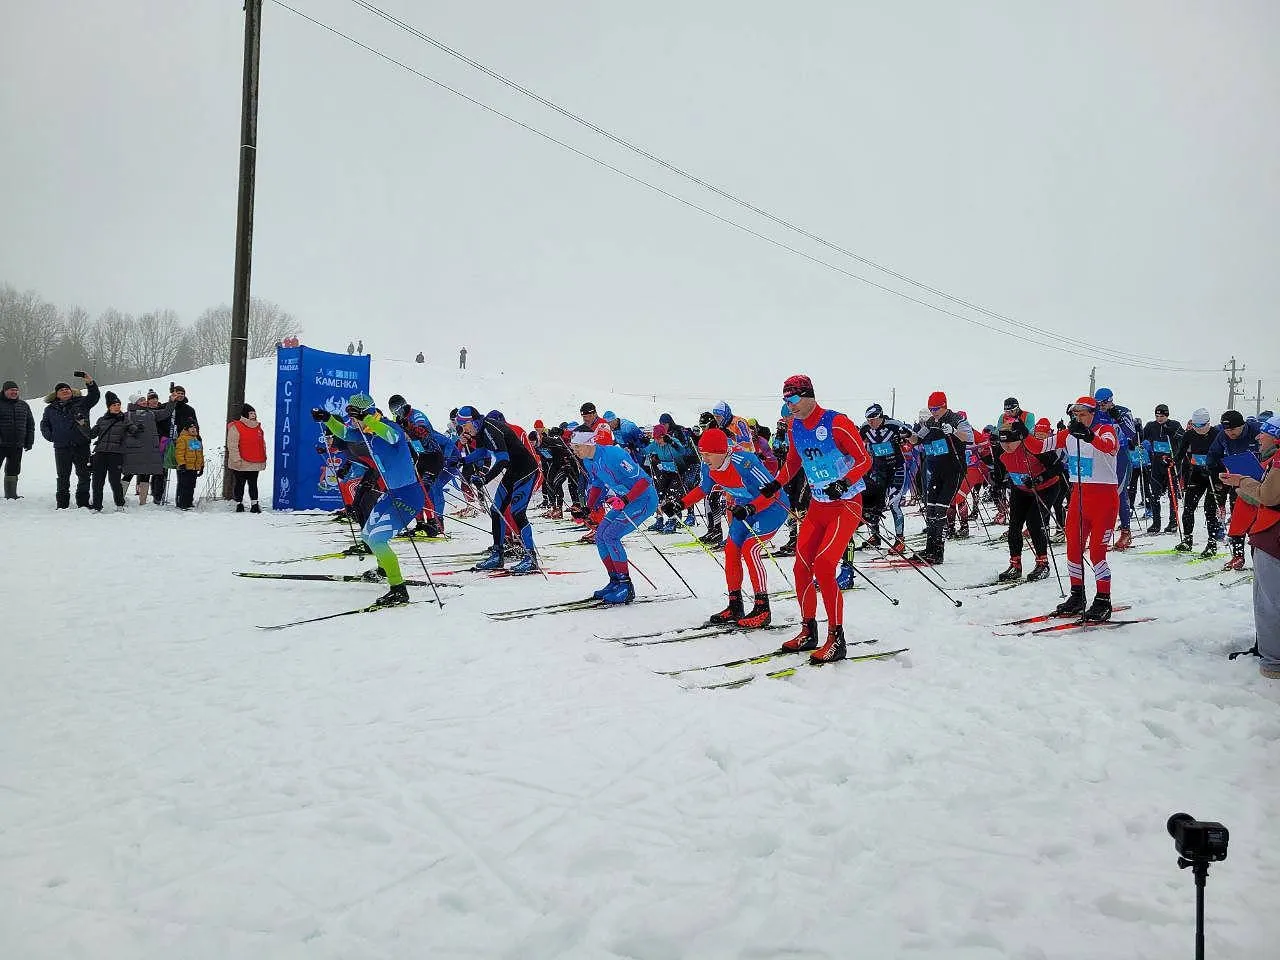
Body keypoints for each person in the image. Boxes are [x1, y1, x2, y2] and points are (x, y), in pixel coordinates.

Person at [761, 374, 872, 663]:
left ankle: (837, 638)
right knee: (801, 568)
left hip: (846, 504)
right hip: (818, 506)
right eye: (786, 400)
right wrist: (776, 482)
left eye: (794, 399)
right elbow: (794, 462)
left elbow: (864, 459)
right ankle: (808, 630)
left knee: (824, 565)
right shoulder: (796, 426)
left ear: (809, 395)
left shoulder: (836, 422)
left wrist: (844, 483)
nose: (790, 405)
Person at [664, 427, 788, 627]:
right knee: (731, 550)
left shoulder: (745, 462)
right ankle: (735, 604)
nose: (704, 458)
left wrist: (751, 508)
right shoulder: (709, 467)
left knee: (750, 549)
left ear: (722, 452)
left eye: (708, 454)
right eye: (702, 454)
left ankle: (762, 607)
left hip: (771, 507)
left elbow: (772, 492)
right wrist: (681, 504)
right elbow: (703, 489)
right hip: (743, 506)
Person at [312, 393, 424, 606]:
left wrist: (367, 418)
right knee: (366, 534)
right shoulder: (366, 433)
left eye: (355, 417)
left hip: (409, 495)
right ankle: (383, 569)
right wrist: (327, 418)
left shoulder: (388, 428)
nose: (352, 422)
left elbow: (392, 437)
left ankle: (398, 590)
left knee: (378, 540)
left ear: (366, 413)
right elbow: (343, 433)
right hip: (391, 494)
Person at [1027, 396, 1119, 621]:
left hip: (1104, 500)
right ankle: (1077, 595)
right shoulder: (1067, 434)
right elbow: (1039, 446)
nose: (1078, 418)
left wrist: (1088, 435)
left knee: (1097, 554)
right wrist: (1022, 434)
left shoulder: (1105, 428)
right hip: (1079, 498)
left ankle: (1103, 599)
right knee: (1073, 550)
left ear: (1093, 413)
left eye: (1083, 414)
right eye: (1075, 414)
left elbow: (1110, 446)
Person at [1218, 414, 1280, 679]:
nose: (1258, 436)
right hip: (1268, 534)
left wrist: (1242, 481)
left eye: (1264, 433)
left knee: (1269, 601)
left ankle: (1272, 662)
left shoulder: (1277, 460)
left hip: (1272, 536)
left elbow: (1269, 496)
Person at [573, 422, 658, 604]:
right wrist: (588, 508)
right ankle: (615, 581)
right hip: (625, 501)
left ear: (589, 443)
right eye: (573, 447)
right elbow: (597, 484)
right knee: (600, 535)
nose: (575, 451)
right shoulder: (588, 461)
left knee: (611, 536)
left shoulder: (614, 454)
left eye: (577, 446)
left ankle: (626, 586)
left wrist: (626, 499)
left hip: (644, 499)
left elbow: (644, 481)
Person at [457, 405, 542, 574]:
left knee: (518, 513)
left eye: (465, 426)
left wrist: (485, 478)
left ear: (473, 422)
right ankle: (497, 555)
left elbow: (502, 460)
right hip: (513, 470)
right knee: (496, 510)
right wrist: (462, 461)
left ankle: (530, 557)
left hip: (526, 470)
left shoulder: (490, 429)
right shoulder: (480, 429)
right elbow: (482, 452)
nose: (464, 430)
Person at [910, 391, 974, 564]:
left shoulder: (957, 419)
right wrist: (907, 435)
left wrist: (953, 431)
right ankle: (930, 548)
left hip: (954, 469)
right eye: (931, 408)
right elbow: (917, 439)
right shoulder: (930, 421)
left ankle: (938, 552)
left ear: (945, 405)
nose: (933, 412)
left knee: (940, 510)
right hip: (936, 470)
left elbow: (969, 437)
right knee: (930, 509)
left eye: (936, 408)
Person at [994, 419, 1056, 582]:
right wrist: (998, 483)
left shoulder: (1033, 447)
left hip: (1046, 488)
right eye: (1003, 442)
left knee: (1034, 522)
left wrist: (1039, 479)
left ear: (1019, 439)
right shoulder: (1001, 452)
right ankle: (1015, 565)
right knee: (1014, 525)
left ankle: (1043, 564)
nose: (1007, 446)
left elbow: (1058, 468)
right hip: (1020, 489)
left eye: (1011, 442)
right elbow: (1000, 471)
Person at [388, 394, 453, 536]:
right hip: (421, 458)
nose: (396, 414)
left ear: (403, 406)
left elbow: (424, 432)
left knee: (424, 491)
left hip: (434, 458)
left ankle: (433, 524)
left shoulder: (417, 415)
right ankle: (420, 524)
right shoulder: (401, 419)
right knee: (414, 491)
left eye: (397, 410)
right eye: (393, 412)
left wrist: (409, 426)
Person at [1208, 410, 1260, 570]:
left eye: (1233, 429)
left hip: (1261, 482)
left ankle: (1259, 559)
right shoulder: (1223, 436)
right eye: (1227, 430)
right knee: (1238, 520)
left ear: (1242, 426)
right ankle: (1238, 556)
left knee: (1258, 523)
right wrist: (1211, 466)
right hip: (1238, 483)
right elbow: (1213, 452)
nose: (1229, 433)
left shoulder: (1256, 430)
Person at [40, 372, 100, 509]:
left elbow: (94, 396)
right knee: (62, 476)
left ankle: (83, 502)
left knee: (84, 475)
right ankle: (62, 504)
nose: (65, 391)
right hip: (61, 447)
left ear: (71, 391)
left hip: (81, 445)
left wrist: (90, 383)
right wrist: (51, 436)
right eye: (61, 390)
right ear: (57, 394)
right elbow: (44, 425)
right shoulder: (50, 409)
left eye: (67, 389)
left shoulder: (82, 403)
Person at [860, 402, 911, 552]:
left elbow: (914, 438)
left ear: (881, 416)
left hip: (897, 469)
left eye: (874, 419)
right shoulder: (865, 428)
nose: (871, 422)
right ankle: (875, 537)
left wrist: (904, 438)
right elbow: (857, 444)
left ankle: (900, 540)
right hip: (878, 469)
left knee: (894, 503)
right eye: (869, 419)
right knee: (873, 503)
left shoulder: (893, 425)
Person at [1093, 388, 1139, 550]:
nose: (1102, 406)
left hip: (1120, 456)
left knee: (1118, 492)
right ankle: (1102, 531)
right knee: (1100, 493)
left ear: (1111, 400)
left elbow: (1131, 433)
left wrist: (1118, 418)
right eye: (1098, 403)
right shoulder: (1095, 413)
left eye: (1104, 403)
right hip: (1101, 455)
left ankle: (1126, 531)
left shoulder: (1123, 412)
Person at [1174, 408, 1222, 556]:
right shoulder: (1189, 434)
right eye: (1195, 426)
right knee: (1188, 506)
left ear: (1208, 423)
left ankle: (1212, 544)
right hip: (1196, 474)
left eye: (1201, 426)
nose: (1198, 429)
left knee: (1210, 510)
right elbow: (1180, 453)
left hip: (1213, 475)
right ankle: (1187, 540)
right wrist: (1171, 462)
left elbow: (1224, 456)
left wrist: (1214, 466)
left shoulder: (1217, 434)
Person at [1141, 403, 1183, 534]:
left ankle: (1173, 522)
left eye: (1162, 416)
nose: (1159, 418)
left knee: (1172, 495)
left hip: (1171, 464)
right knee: (1155, 495)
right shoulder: (1150, 426)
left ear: (1167, 415)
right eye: (1157, 415)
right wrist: (1137, 431)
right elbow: (1141, 438)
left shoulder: (1175, 424)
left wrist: (1173, 433)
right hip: (1157, 463)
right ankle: (1156, 522)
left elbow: (1184, 438)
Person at [121, 393, 165, 505]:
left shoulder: (150, 413)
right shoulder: (127, 415)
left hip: (148, 448)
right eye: (141, 400)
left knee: (146, 473)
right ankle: (119, 497)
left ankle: (143, 501)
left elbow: (165, 413)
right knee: (129, 473)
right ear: (135, 402)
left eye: (144, 400)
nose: (144, 402)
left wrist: (172, 401)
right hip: (133, 449)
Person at [88, 392, 129, 511]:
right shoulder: (102, 420)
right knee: (97, 481)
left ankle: (120, 504)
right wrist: (83, 424)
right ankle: (96, 505)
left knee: (115, 481)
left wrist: (137, 429)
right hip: (100, 453)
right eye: (114, 405)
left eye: (118, 404)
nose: (117, 407)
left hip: (116, 454)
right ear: (109, 407)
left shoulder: (125, 419)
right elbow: (91, 435)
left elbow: (133, 430)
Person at [226, 403, 268, 513]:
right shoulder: (236, 427)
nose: (253, 415)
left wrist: (263, 457)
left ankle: (255, 504)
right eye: (251, 413)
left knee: (253, 484)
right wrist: (236, 459)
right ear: (245, 414)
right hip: (241, 462)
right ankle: (239, 504)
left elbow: (262, 444)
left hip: (255, 462)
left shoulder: (258, 428)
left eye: (254, 413)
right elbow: (232, 445)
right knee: (240, 484)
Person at [0, 379, 35, 499]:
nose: (14, 392)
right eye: (11, 390)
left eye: (16, 390)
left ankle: (11, 494)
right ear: (4, 391)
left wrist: (29, 441)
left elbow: (30, 424)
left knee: (13, 469)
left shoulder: (23, 405)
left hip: (17, 444)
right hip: (1, 444)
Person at [173, 422, 205, 510]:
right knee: (183, 486)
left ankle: (189, 502)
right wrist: (182, 464)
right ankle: (181, 503)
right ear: (186, 428)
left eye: (195, 427)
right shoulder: (182, 439)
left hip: (193, 468)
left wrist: (201, 466)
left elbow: (200, 454)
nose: (193, 429)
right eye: (191, 427)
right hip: (184, 467)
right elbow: (179, 453)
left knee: (191, 485)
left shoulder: (197, 439)